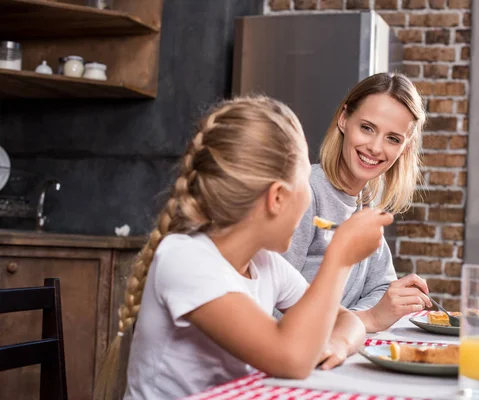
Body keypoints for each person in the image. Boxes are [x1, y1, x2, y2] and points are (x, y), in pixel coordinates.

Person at [93, 96, 393, 399]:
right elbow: (291, 358)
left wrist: (336, 344)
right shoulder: (185, 260)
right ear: (277, 198)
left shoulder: (265, 264)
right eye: (305, 180)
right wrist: (339, 259)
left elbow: (347, 320)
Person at [283, 72, 432, 333]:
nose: (375, 147)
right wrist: (368, 318)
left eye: (393, 138)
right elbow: (270, 309)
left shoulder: (367, 201)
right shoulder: (305, 194)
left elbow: (381, 287)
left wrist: (370, 314)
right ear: (343, 119)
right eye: (367, 128)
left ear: (405, 148)